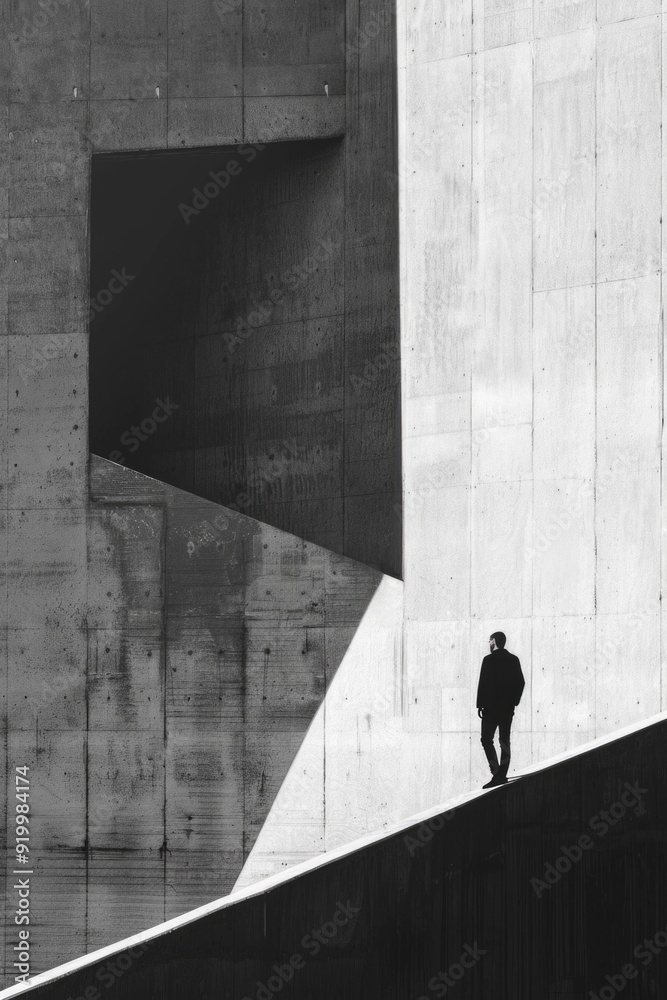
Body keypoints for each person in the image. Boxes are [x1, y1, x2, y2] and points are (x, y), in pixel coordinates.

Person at [476, 631, 525, 788]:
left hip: (490, 709)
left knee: (486, 739)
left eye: (490, 641)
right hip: (506, 709)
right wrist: (514, 702)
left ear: (494, 642)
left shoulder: (488, 660)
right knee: (504, 741)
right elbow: (521, 682)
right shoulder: (513, 660)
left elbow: (482, 684)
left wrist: (480, 705)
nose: (489, 643)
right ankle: (501, 774)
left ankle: (496, 772)